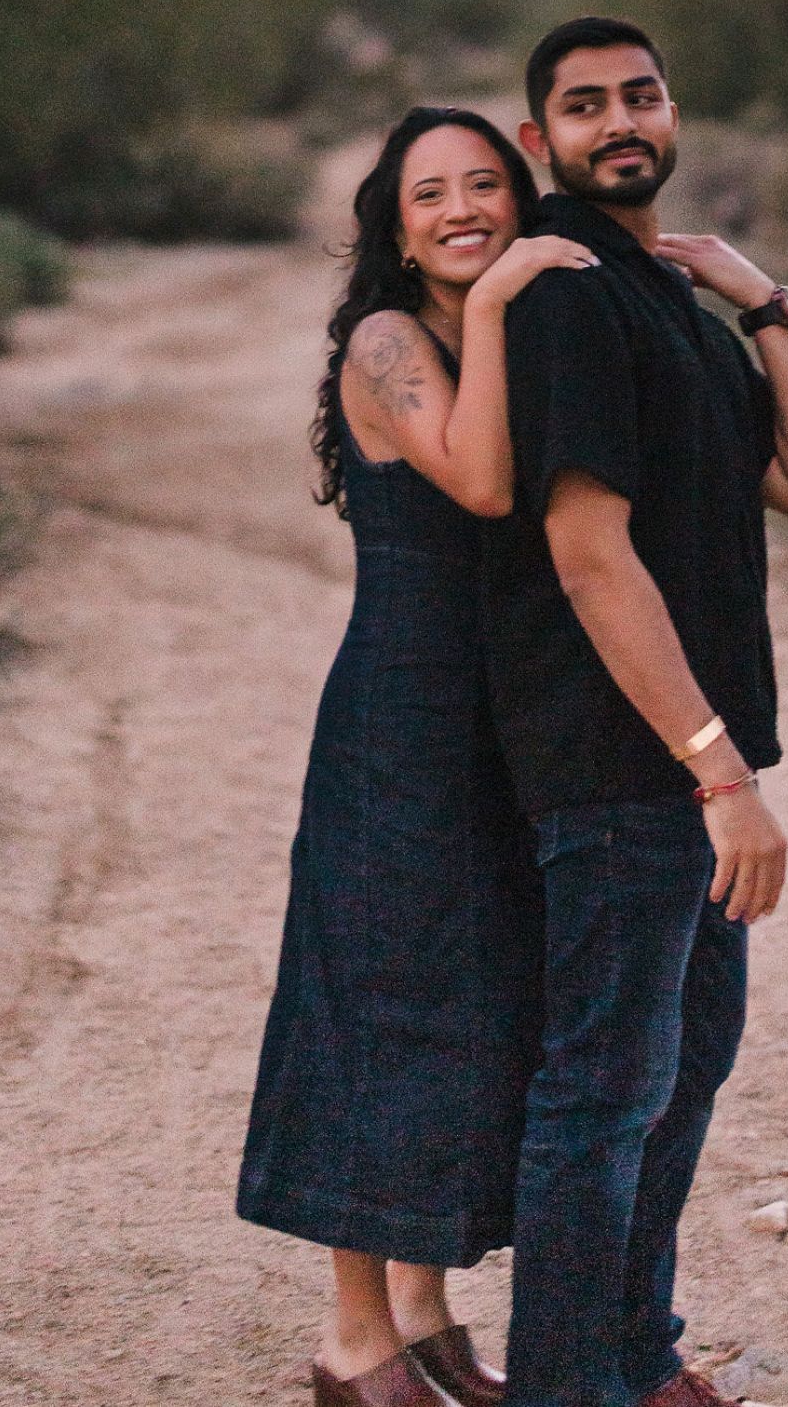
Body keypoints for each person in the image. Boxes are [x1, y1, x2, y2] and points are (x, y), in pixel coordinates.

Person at [483, 19, 788, 1407]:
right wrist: (717, 773)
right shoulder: (570, 295)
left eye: (638, 94)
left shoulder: (678, 311)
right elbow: (589, 550)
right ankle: (571, 1384)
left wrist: (768, 312)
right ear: (542, 145)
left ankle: (631, 1359)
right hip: (617, 760)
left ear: (674, 109)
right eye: (583, 107)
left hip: (682, 766)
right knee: (603, 1096)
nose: (619, 121)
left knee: (680, 1071)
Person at [239, 105, 597, 1407]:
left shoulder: (479, 324)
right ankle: (354, 1341)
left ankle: (428, 1321)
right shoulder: (393, 339)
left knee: (470, 1012)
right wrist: (501, 299)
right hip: (400, 720)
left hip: (497, 723)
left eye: (488, 185)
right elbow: (483, 482)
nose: (462, 209)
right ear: (395, 227)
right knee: (379, 1013)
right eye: (430, 193)